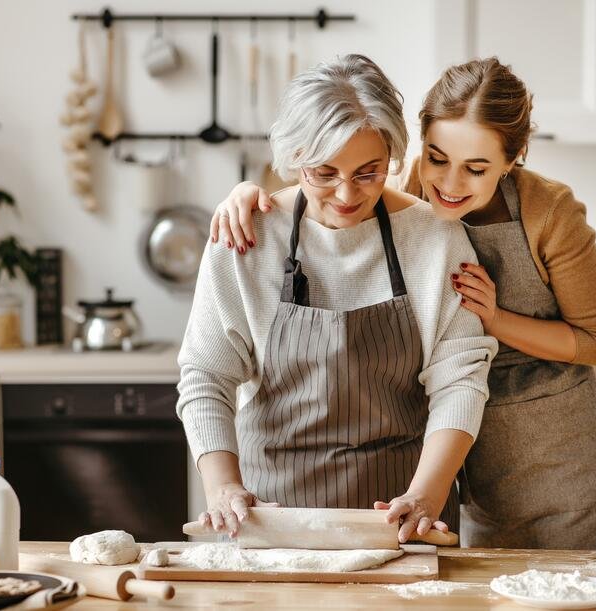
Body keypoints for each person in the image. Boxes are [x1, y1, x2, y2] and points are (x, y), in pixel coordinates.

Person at [208, 57, 596, 549]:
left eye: (476, 169)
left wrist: (494, 320)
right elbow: (338, 182)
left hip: (568, 452)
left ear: (514, 158)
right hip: (469, 454)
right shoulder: (410, 195)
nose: (450, 185)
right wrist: (251, 197)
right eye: (437, 158)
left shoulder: (550, 212)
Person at [177, 54, 496, 544]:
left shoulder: (435, 240)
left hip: (401, 519)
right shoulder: (246, 237)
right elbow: (206, 375)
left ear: (392, 155)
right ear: (294, 158)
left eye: (370, 172)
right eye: (324, 173)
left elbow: (460, 379)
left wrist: (427, 496)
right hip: (271, 521)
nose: (347, 194)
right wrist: (222, 488)